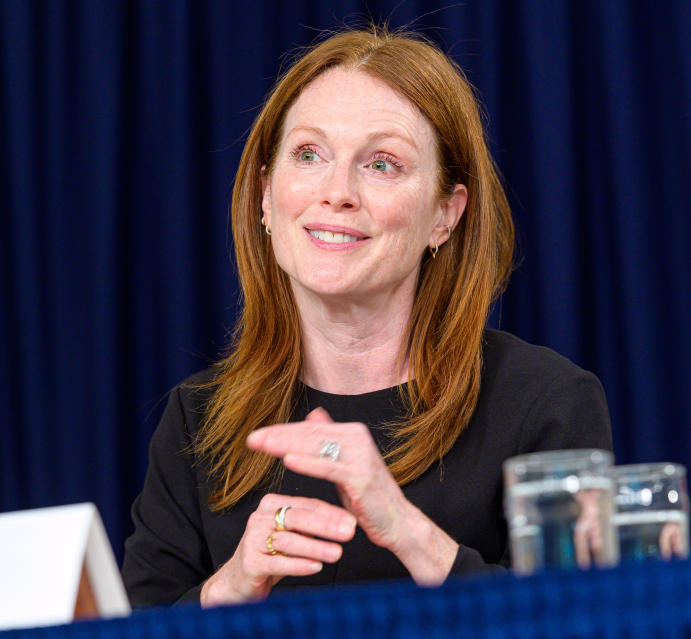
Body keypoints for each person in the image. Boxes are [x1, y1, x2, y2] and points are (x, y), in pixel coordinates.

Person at [121, 26, 612, 608]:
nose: (337, 192)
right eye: (309, 154)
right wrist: (230, 589)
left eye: (382, 164)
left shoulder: (545, 403)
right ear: (264, 197)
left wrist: (409, 534)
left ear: (444, 215)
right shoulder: (198, 421)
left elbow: (588, 620)